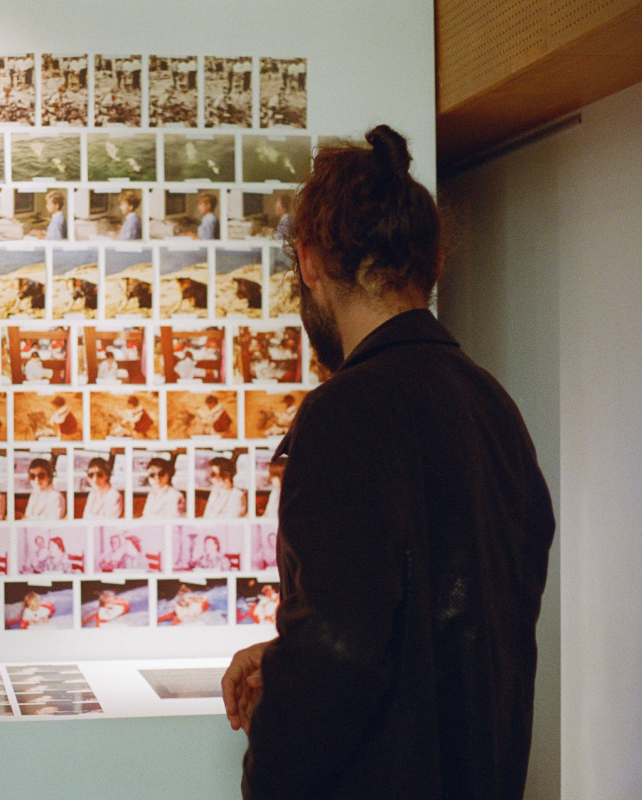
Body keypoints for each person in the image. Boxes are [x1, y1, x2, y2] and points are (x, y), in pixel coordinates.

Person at [221, 126, 555, 800]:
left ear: (309, 259)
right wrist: (290, 661)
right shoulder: (495, 409)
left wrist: (269, 770)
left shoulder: (344, 412)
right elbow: (441, 633)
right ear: (433, 262)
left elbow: (343, 655)